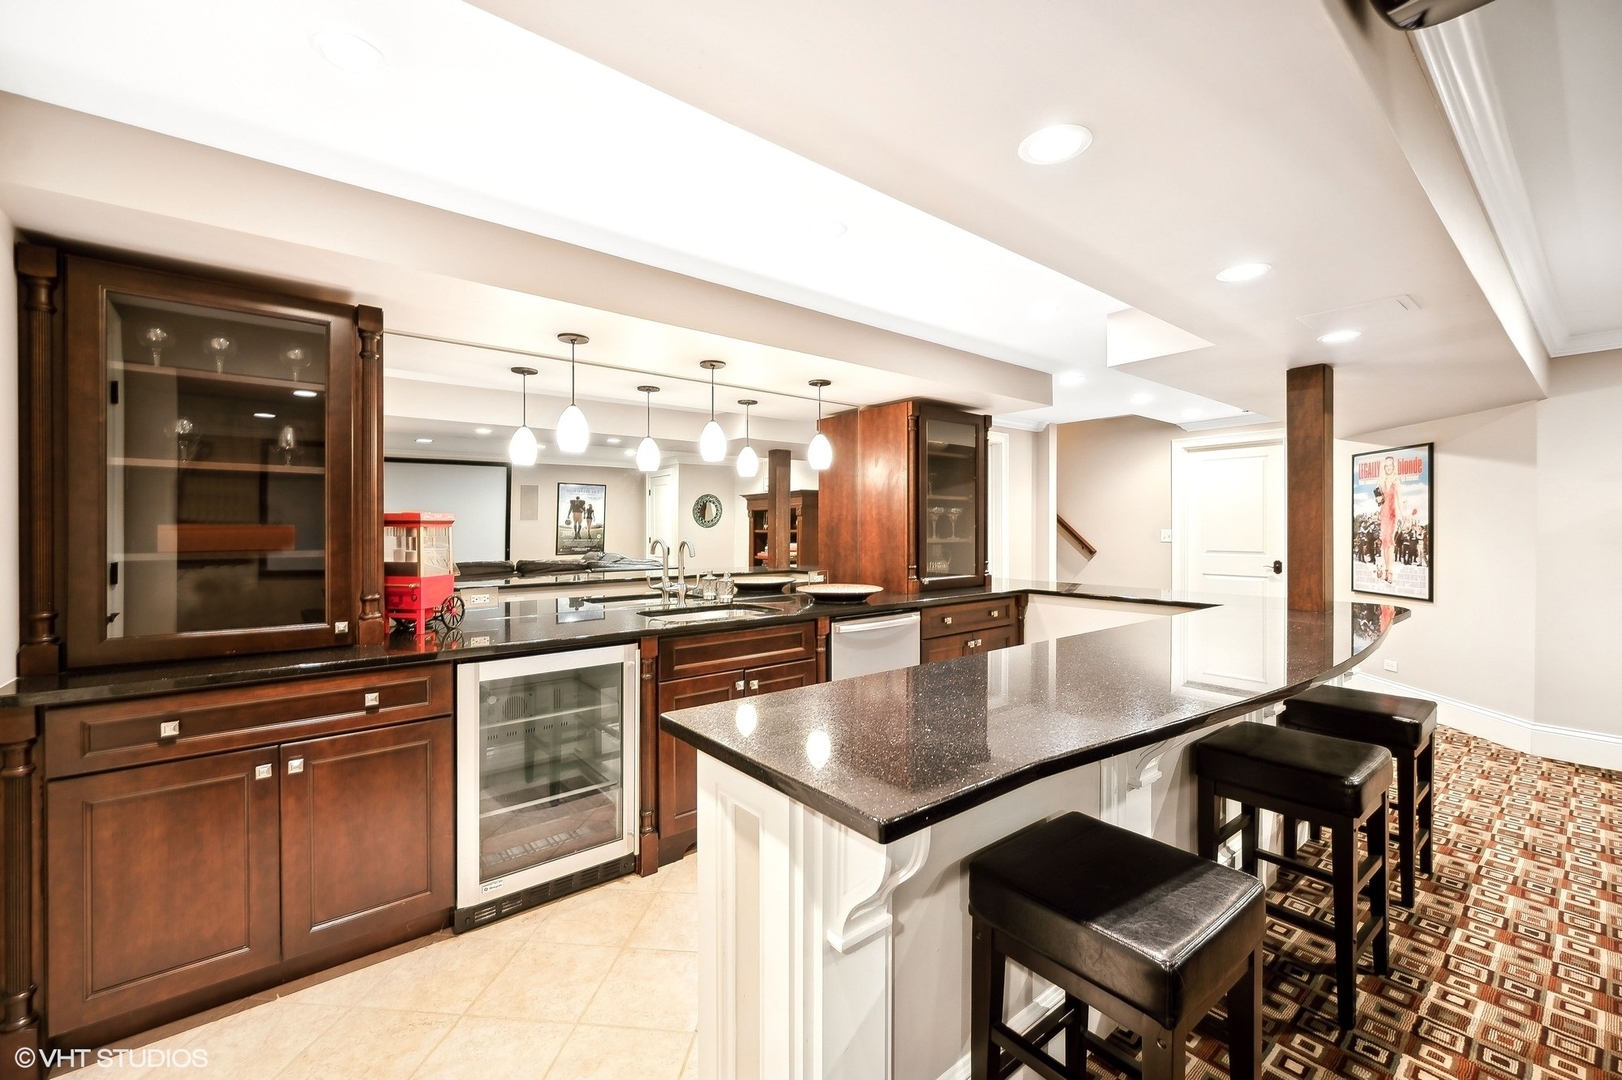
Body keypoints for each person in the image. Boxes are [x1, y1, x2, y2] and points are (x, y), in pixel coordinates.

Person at [1376, 455, 1401, 584]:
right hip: (1384, 515)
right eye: (1386, 466)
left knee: (1390, 543)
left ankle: (1390, 572)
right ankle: (1386, 571)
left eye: (1390, 465)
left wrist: (1403, 516)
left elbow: (1400, 501)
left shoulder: (1397, 482)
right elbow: (1379, 501)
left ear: (1393, 466)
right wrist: (1378, 500)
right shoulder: (1381, 482)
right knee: (1385, 544)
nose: (1388, 468)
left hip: (1392, 515)